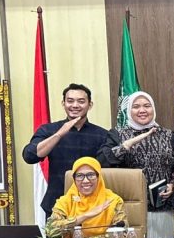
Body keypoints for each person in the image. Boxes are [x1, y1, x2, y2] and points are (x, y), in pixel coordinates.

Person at [97, 91, 174, 238]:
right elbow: (102, 162)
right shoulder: (117, 135)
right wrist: (125, 146)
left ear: (153, 108)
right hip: (130, 208)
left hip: (163, 206)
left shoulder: (169, 135)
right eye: (136, 107)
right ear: (129, 111)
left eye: (147, 106)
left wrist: (173, 185)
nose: (142, 110)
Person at [22, 83, 109, 216]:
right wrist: (59, 134)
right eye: (70, 101)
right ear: (63, 104)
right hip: (57, 204)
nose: (75, 105)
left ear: (90, 105)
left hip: (92, 205)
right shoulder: (48, 130)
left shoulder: (102, 135)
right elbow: (29, 156)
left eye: (81, 101)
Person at [46, 157, 126, 238]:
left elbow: (123, 236)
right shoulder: (65, 202)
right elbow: (50, 231)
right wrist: (84, 216)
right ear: (74, 179)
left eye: (91, 175)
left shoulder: (113, 201)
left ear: (98, 177)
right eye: (80, 176)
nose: (85, 180)